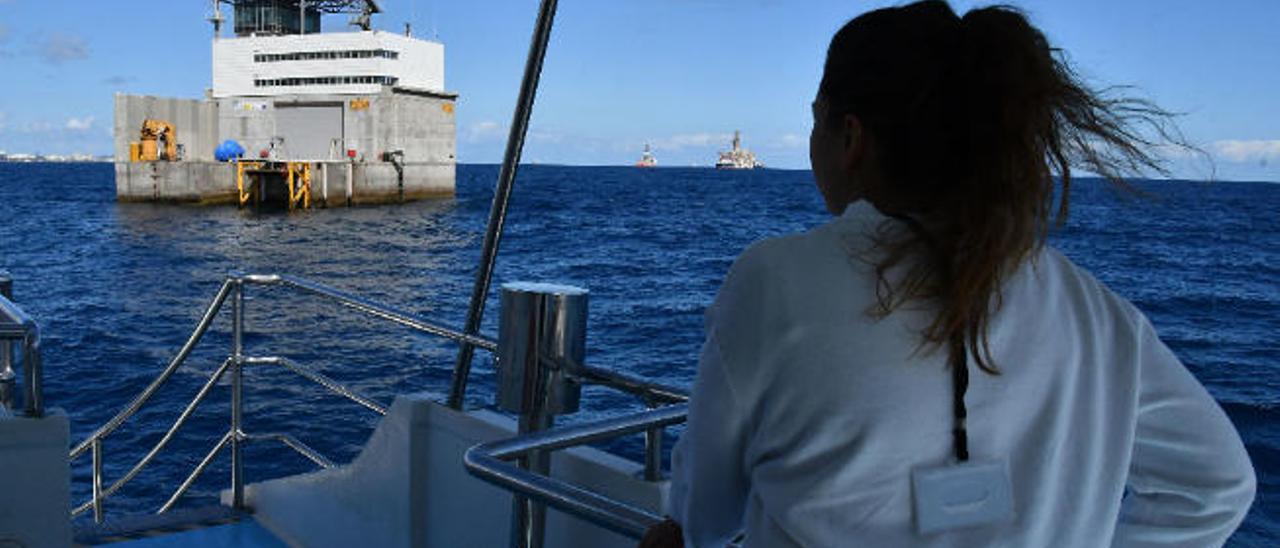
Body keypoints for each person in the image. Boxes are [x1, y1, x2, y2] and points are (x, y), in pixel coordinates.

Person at [660, 1, 1256, 546]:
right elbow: (1217, 486)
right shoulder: (1100, 317)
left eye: (817, 122)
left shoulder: (776, 282)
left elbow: (707, 517)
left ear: (850, 137)